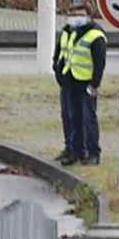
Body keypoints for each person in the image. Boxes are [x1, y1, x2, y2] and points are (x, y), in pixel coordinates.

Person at [59, 3, 107, 166]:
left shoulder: (95, 35)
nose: (75, 18)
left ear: (88, 16)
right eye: (72, 15)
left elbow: (99, 62)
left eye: (79, 14)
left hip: (86, 82)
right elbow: (62, 53)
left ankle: (93, 153)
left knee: (88, 118)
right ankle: (74, 151)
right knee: (71, 117)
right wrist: (58, 71)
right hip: (69, 79)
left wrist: (94, 84)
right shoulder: (69, 31)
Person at [51, 10, 81, 164]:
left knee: (80, 116)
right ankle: (69, 147)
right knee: (66, 115)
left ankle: (80, 150)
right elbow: (59, 52)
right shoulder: (66, 32)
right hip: (66, 79)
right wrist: (56, 68)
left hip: (82, 81)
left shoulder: (89, 33)